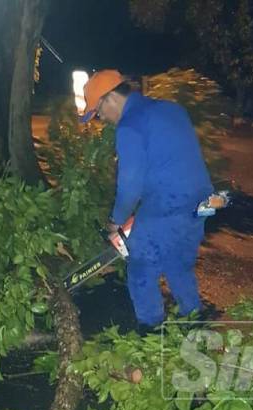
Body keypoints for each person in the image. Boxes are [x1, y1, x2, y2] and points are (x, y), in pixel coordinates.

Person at [80, 69, 214, 331]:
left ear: (110, 99)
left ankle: (150, 330)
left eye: (98, 111)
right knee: (178, 263)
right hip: (203, 201)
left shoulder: (130, 126)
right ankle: (195, 322)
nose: (102, 119)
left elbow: (130, 184)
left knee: (141, 268)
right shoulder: (172, 109)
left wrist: (115, 221)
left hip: (169, 203)